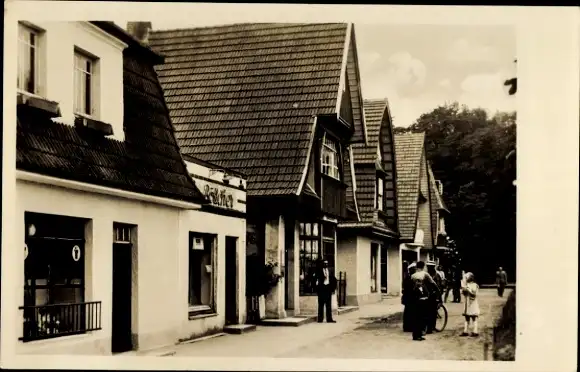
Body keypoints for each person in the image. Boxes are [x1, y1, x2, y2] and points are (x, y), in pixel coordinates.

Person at [409, 261, 439, 341]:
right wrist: (437, 290)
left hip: (415, 298)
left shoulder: (412, 275)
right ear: (423, 266)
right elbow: (433, 283)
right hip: (422, 298)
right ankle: (419, 333)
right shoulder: (425, 274)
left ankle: (418, 334)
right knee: (422, 317)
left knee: (417, 317)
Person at [315, 259, 337, 323]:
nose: (326, 265)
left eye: (327, 263)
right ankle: (320, 319)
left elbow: (333, 279)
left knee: (328, 305)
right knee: (321, 305)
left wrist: (332, 288)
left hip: (328, 289)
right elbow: (316, 280)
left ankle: (329, 319)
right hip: (321, 289)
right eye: (325, 263)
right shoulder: (319, 271)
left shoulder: (330, 270)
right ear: (322, 264)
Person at [460, 272, 480, 337]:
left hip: (472, 303)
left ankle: (475, 330)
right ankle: (465, 331)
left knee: (474, 317)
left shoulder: (475, 285)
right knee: (467, 317)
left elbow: (474, 294)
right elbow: (464, 293)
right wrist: (463, 290)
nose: (465, 279)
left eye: (466, 277)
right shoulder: (467, 285)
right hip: (467, 303)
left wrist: (468, 290)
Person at [401, 262, 417, 332]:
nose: (414, 270)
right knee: (410, 312)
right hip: (410, 297)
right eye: (413, 269)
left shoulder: (408, 277)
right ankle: (408, 327)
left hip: (408, 297)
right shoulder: (409, 277)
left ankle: (408, 326)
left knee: (408, 312)